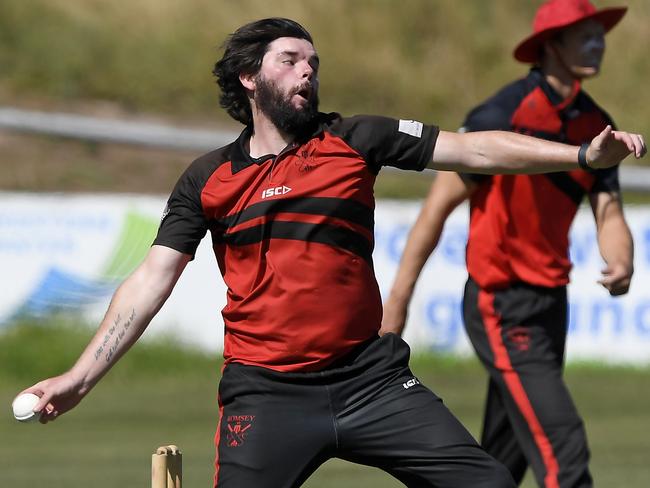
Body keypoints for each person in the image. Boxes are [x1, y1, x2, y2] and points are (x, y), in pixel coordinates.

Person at [18, 17, 644, 488]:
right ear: (249, 77)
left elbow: (474, 149)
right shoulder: (207, 178)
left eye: (313, 60)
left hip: (372, 382)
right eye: (289, 60)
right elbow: (151, 279)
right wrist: (80, 376)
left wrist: (582, 155)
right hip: (265, 395)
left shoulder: (355, 139)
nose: (308, 70)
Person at [381, 1, 641, 487]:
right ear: (551, 46)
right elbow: (437, 210)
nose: (598, 42)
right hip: (500, 301)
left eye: (599, 34)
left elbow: (608, 211)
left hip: (549, 304)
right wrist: (397, 302)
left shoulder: (596, 125)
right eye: (584, 34)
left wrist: (621, 259)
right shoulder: (503, 113)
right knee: (562, 443)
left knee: (504, 460)